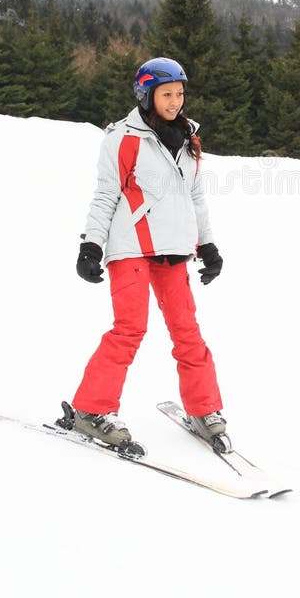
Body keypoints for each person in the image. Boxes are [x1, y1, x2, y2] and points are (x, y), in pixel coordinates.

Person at [70, 56, 226, 449]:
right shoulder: (122, 139)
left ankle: (203, 408)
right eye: (166, 94)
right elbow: (106, 194)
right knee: (130, 328)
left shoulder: (189, 139)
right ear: (146, 95)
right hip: (131, 247)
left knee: (187, 332)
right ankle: (91, 409)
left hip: (173, 248)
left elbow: (195, 197)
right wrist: (91, 245)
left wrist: (207, 244)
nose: (175, 102)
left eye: (179, 94)